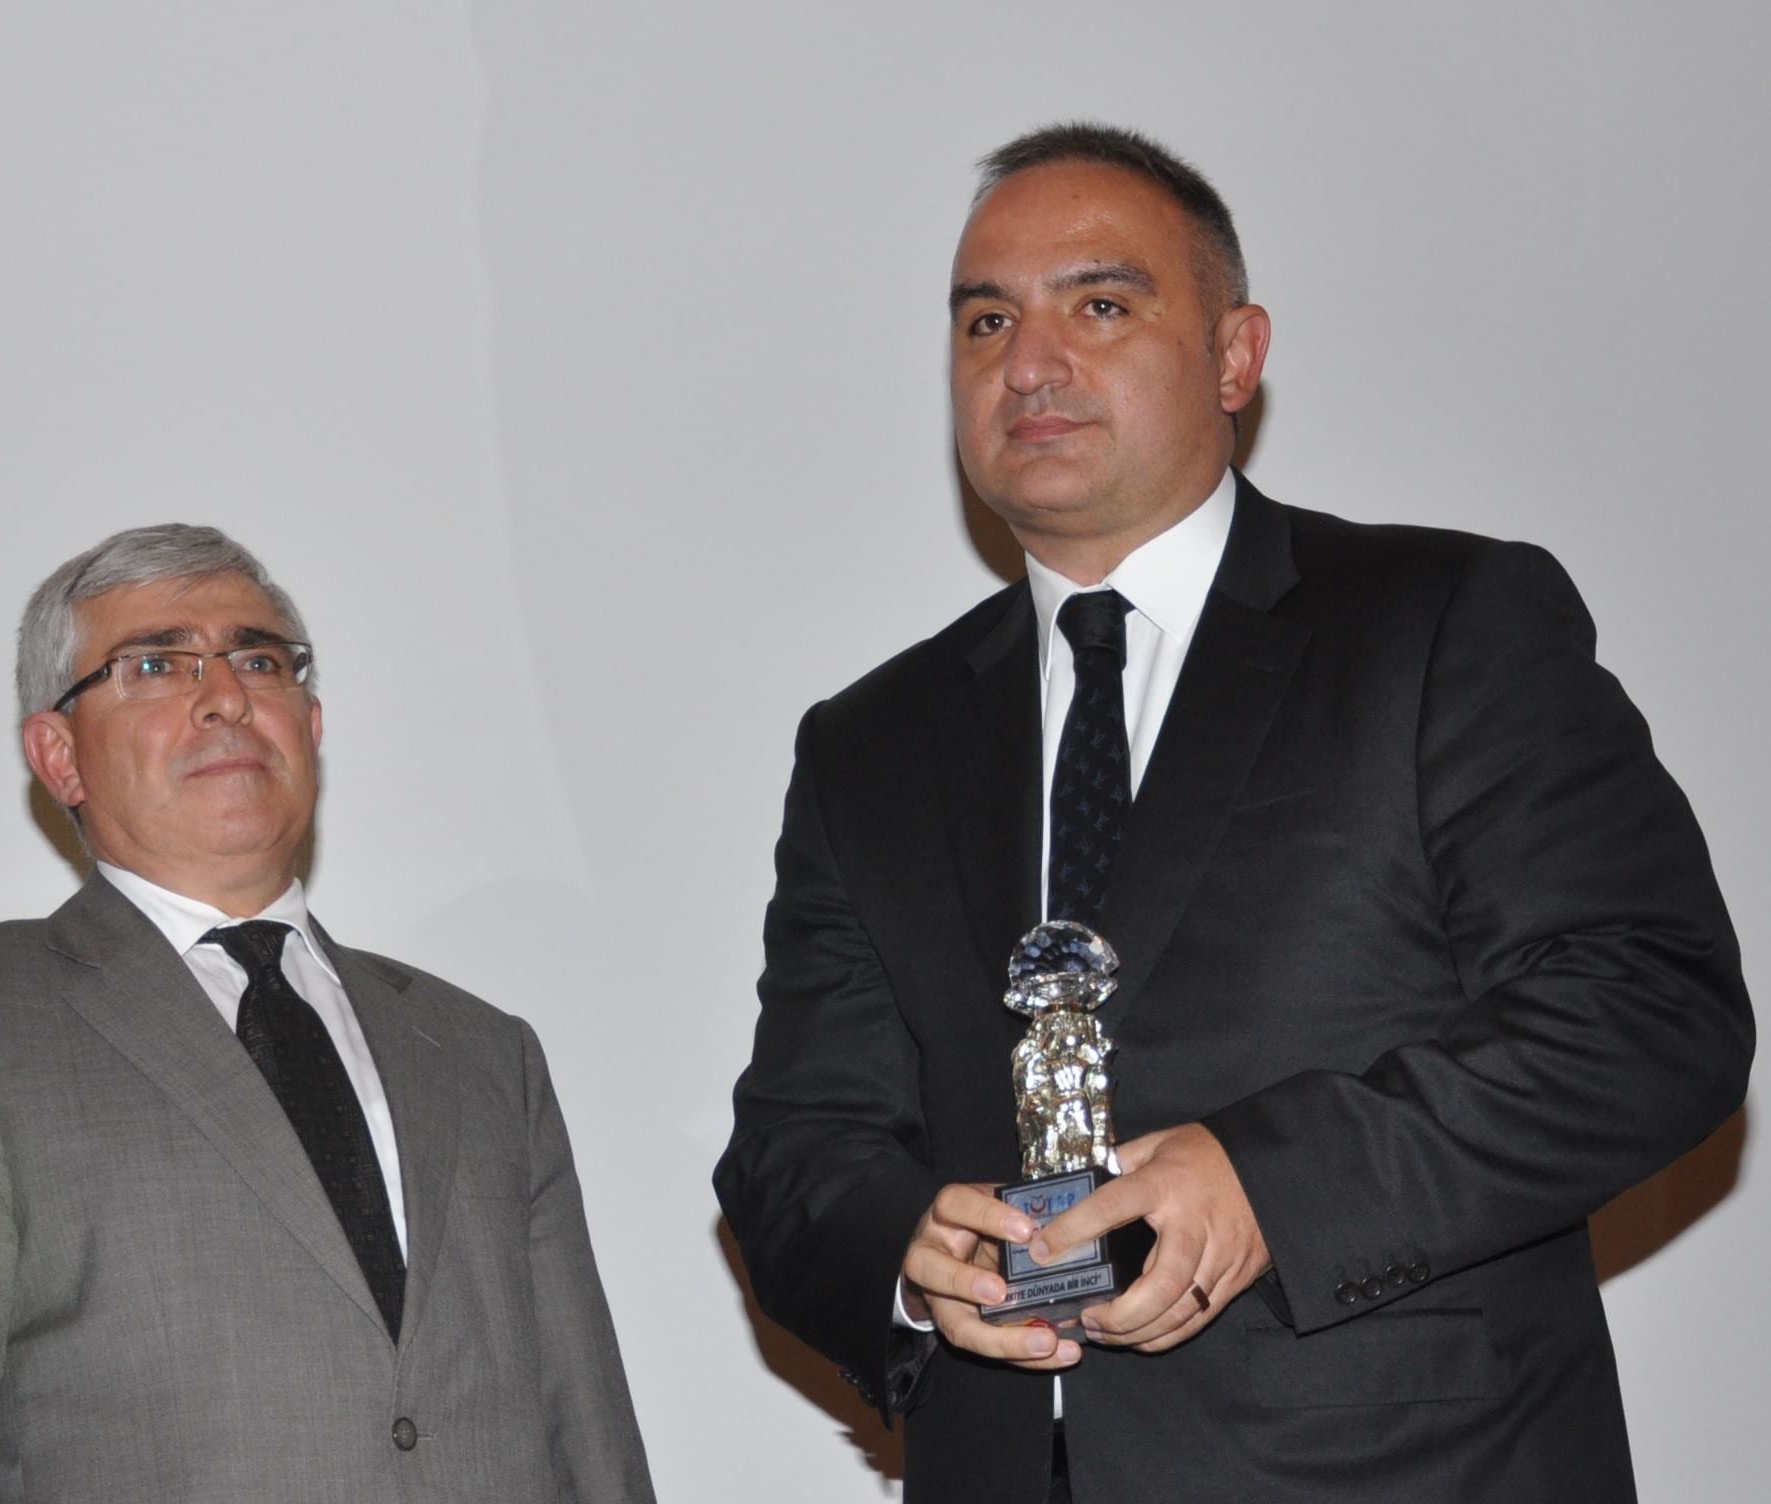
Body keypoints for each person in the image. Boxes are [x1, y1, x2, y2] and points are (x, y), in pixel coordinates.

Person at [714, 122, 1753, 1503]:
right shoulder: (868, 744)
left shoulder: (1441, 625)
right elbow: (794, 1149)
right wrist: (907, 1255)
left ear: (1233, 356)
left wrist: (1272, 1184)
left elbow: (1646, 1008)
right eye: (984, 322)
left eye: (1098, 305)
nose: (1029, 364)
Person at [0, 524, 656, 1503]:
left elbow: (591, 1444)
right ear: (60, 755)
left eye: (258, 660)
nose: (226, 696)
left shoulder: (482, 1050)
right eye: (157, 664)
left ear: (312, 724)